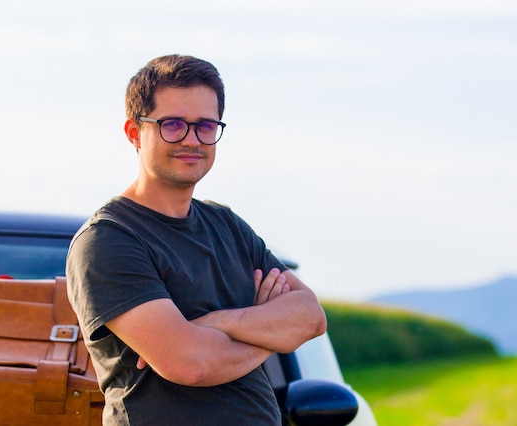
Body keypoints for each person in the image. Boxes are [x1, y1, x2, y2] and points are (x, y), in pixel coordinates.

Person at [66, 54, 327, 425]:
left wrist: (215, 323)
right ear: (134, 132)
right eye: (173, 124)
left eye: (205, 126)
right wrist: (268, 330)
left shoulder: (227, 225)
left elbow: (310, 317)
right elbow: (190, 365)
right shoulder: (108, 240)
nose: (192, 140)